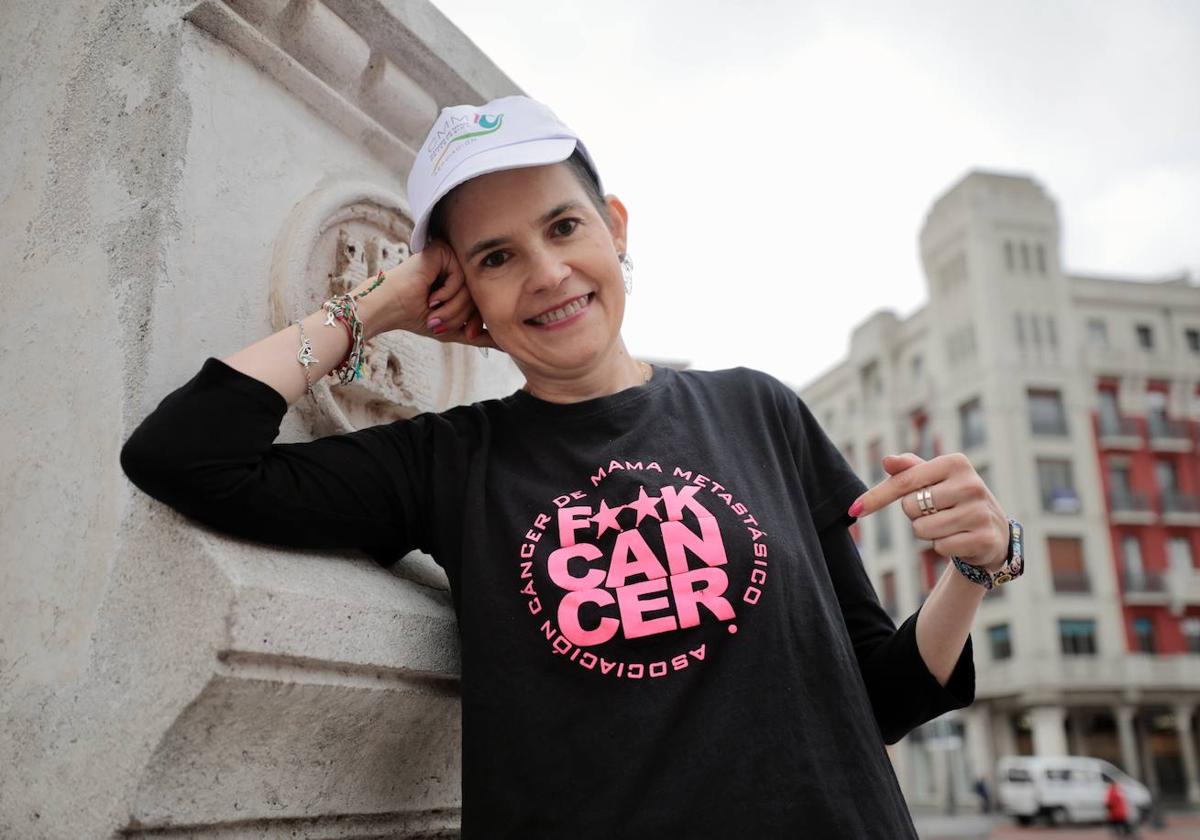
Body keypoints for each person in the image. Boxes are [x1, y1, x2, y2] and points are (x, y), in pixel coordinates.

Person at [119, 95, 1021, 838]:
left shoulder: (760, 410)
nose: (547, 273)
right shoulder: (450, 461)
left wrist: (973, 570)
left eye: (563, 226)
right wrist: (379, 303)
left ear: (613, 225)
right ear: (459, 288)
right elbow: (187, 455)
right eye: (497, 257)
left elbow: (879, 699)